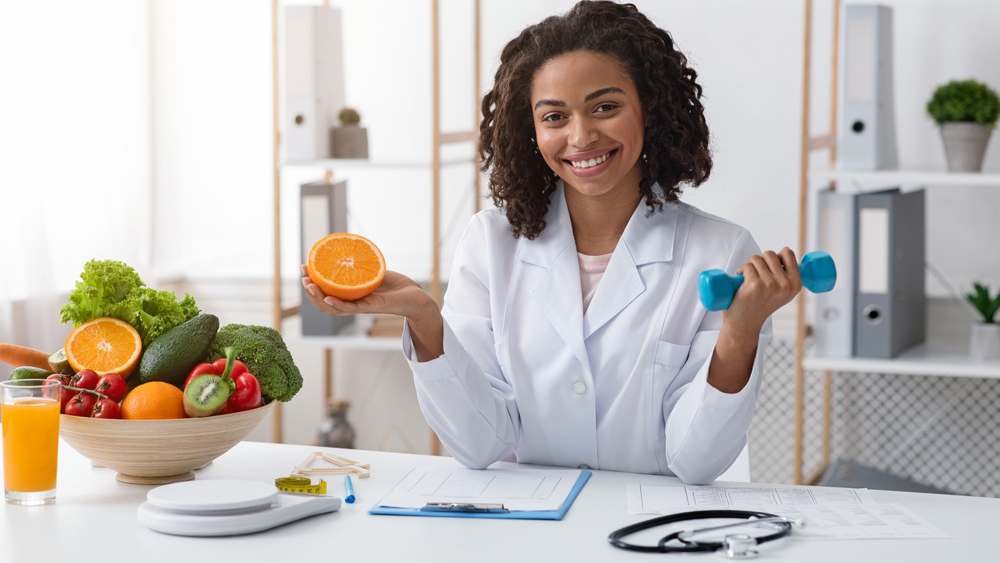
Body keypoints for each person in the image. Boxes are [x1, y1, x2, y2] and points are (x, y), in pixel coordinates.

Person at [301, 0, 802, 484]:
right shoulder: (488, 244)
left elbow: (695, 461)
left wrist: (740, 332)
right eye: (555, 117)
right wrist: (425, 320)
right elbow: (480, 444)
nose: (581, 137)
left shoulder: (720, 252)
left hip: (650, 528)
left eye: (605, 107)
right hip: (527, 528)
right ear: (531, 130)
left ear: (649, 109)